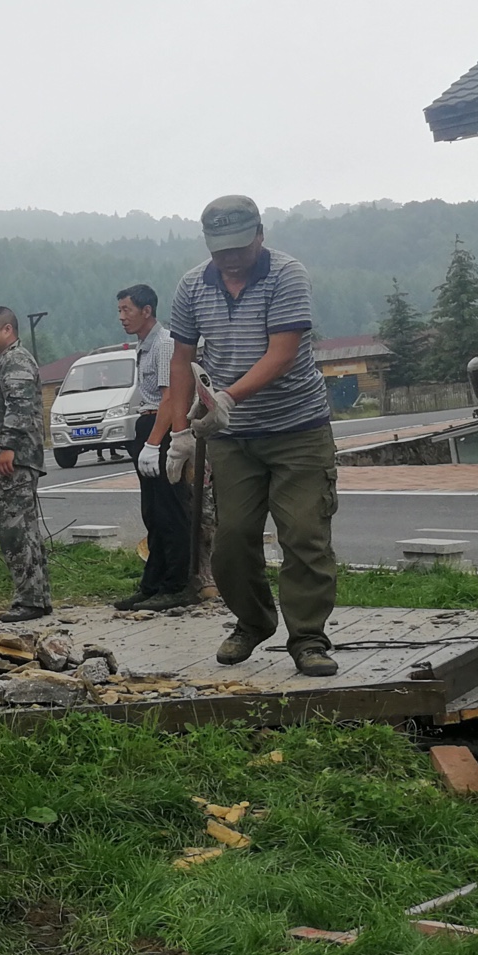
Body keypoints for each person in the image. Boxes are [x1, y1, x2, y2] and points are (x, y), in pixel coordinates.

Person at [159, 195, 339, 676]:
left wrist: (228, 399)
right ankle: (253, 622)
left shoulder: (286, 274)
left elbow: (282, 352)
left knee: (304, 535)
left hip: (297, 429)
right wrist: (179, 432)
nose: (231, 257)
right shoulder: (192, 285)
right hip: (232, 438)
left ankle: (307, 639)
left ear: (260, 234)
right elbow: (180, 360)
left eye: (239, 246)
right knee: (232, 538)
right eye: (220, 250)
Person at [0, 307, 50, 622]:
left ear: (7, 330)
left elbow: (19, 405)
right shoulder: (5, 363)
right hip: (5, 460)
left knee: (15, 530)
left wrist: (8, 447)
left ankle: (29, 600)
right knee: (22, 529)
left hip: (11, 461)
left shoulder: (16, 361)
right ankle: (36, 598)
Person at [116, 283, 192, 610]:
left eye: (127, 310)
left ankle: (177, 584)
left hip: (161, 428)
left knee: (170, 511)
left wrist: (154, 441)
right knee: (153, 512)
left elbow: (171, 396)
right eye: (119, 310)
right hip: (147, 424)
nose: (122, 317)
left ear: (147, 311)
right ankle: (153, 583)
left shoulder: (163, 343)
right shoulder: (144, 346)